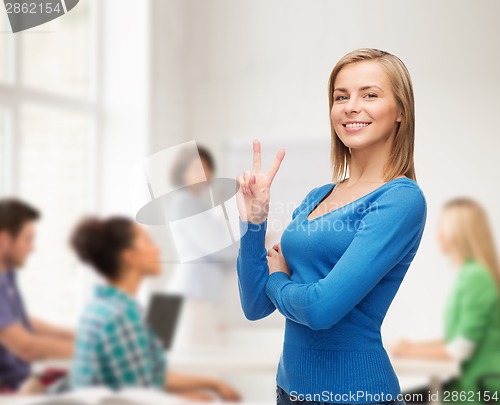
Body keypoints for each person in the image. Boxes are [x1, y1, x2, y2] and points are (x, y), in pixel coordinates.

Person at [235, 48, 427, 405]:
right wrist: (254, 221)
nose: (351, 106)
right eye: (342, 96)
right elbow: (255, 305)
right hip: (288, 390)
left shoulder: (401, 200)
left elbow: (321, 310)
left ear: (401, 111)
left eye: (369, 94)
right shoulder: (318, 196)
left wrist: (278, 279)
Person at [69, 216, 241, 402]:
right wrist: (188, 399)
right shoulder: (122, 316)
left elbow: (150, 376)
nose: (157, 248)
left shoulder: (104, 307)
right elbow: (138, 395)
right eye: (147, 242)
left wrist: (211, 384)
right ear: (130, 257)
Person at [390, 198, 500, 405]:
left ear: (459, 234)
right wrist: (413, 346)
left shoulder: (476, 277)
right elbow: (459, 338)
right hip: (467, 386)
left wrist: (410, 351)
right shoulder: (470, 274)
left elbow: (459, 349)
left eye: (442, 228)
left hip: (479, 390)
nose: (437, 236)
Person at [165, 144, 238, 348]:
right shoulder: (185, 203)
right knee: (198, 368)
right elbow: (219, 248)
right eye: (196, 168)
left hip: (197, 295)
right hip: (192, 298)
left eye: (206, 168)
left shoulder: (193, 203)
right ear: (182, 172)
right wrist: (253, 241)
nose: (203, 174)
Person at [0, 198, 74, 394]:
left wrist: (79, 335)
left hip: (23, 380)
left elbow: (21, 323)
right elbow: (26, 347)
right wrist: (91, 350)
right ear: (5, 239)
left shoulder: (7, 276)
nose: (32, 248)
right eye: (28, 239)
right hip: (10, 390)